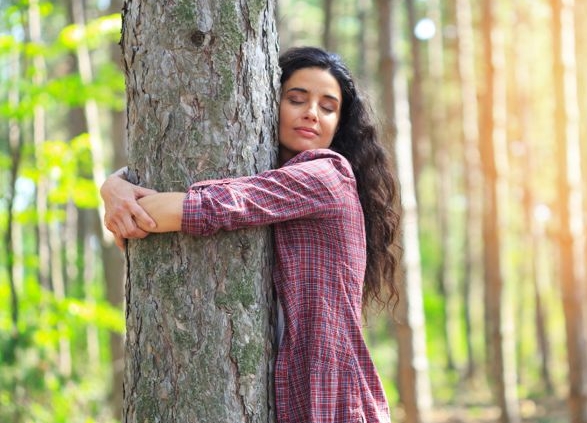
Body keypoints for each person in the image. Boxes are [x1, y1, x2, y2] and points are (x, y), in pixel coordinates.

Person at [101, 46, 400, 423]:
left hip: (334, 400)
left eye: (328, 107)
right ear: (269, 103)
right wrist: (113, 187)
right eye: (296, 99)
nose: (311, 113)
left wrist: (120, 194)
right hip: (297, 393)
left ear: (339, 124)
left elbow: (201, 208)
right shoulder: (281, 183)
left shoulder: (327, 175)